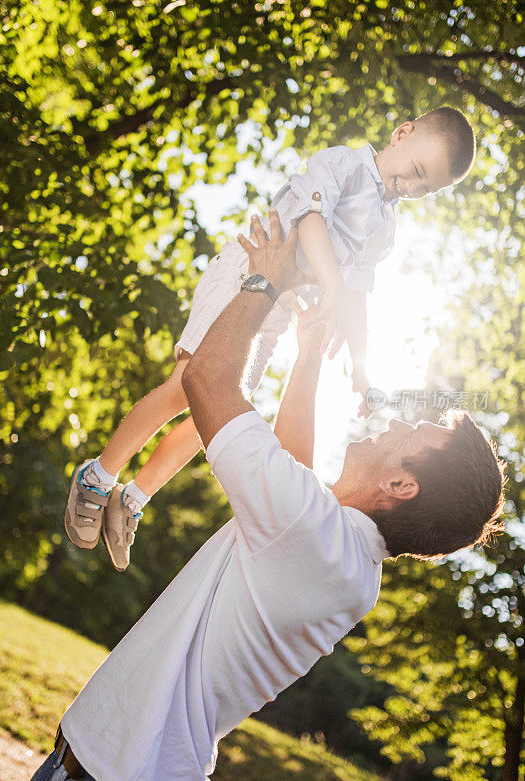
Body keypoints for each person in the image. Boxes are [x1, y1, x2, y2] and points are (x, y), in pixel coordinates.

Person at [21, 210, 505, 781]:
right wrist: (308, 353)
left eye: (414, 433)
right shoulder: (341, 556)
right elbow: (293, 468)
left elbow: (206, 377)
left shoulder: (317, 537)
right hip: (99, 773)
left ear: (403, 487)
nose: (397, 423)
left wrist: (265, 280)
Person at [64, 106, 477, 571]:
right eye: (418, 172)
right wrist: (333, 285)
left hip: (274, 311)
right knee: (187, 386)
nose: (415, 188)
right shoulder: (343, 164)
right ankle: (98, 475)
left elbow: (357, 296)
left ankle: (133, 499)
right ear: (402, 134)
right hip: (247, 273)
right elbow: (310, 223)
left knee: (214, 412)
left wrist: (361, 369)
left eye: (428, 188)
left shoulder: (385, 229)